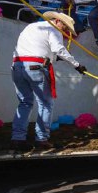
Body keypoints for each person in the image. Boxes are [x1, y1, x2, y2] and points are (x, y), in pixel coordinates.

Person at [10, 12, 87, 151]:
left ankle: (18, 138)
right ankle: (41, 139)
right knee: (45, 103)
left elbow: (40, 49)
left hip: (17, 66)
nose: (64, 30)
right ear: (57, 21)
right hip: (36, 68)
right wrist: (77, 65)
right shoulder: (53, 29)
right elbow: (58, 49)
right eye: (65, 26)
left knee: (25, 102)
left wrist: (52, 57)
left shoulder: (31, 27)